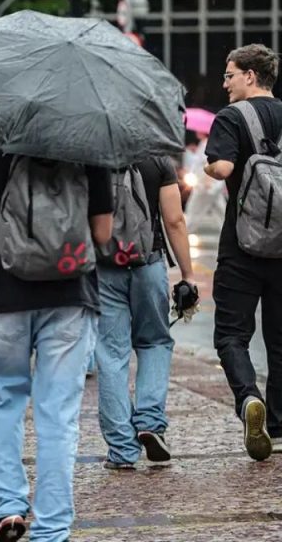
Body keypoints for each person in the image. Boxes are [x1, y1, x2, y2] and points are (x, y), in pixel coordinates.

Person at [0, 141, 112, 542]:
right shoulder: (88, 139)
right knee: (58, 414)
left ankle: (8, 506)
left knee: (3, 400)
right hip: (72, 295)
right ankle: (52, 527)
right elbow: (102, 232)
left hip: (6, 295)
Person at [204, 43, 282, 460]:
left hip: (242, 244)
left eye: (229, 74)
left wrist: (209, 166)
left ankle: (249, 397)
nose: (225, 83)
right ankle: (279, 427)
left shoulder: (231, 117)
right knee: (280, 341)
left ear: (250, 76)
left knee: (232, 334)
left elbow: (223, 169)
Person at [95, 156, 197, 470]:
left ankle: (122, 449)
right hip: (148, 264)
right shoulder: (158, 160)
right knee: (154, 343)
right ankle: (150, 422)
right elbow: (174, 220)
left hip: (104, 267)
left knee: (111, 355)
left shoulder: (93, 156)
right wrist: (187, 275)